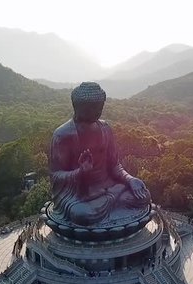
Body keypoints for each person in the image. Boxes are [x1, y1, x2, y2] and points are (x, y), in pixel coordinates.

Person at [49, 82, 151, 226]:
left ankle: (111, 201)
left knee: (143, 196)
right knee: (82, 215)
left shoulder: (105, 128)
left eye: (100, 107)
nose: (98, 111)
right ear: (78, 107)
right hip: (80, 195)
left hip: (108, 187)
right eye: (93, 108)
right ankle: (112, 204)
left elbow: (115, 165)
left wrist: (130, 179)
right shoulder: (63, 135)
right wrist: (80, 173)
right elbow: (56, 175)